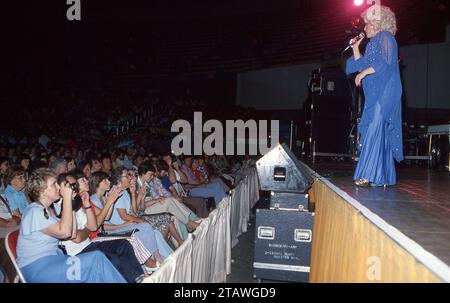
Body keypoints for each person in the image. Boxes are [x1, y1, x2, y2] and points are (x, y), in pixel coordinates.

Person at [16, 168, 126, 283]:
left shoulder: (48, 211)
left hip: (54, 261)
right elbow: (65, 232)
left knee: (96, 264)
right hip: (37, 269)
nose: (59, 187)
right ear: (42, 191)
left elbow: (71, 233)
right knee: (96, 258)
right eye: (54, 184)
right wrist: (67, 198)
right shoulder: (34, 211)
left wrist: (72, 204)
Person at [345, 5, 403, 187]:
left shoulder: (386, 38)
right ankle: (382, 176)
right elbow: (360, 65)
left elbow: (385, 63)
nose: (364, 28)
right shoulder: (372, 43)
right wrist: (356, 48)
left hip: (386, 90)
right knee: (379, 130)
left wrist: (363, 74)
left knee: (375, 128)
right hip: (375, 92)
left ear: (378, 24)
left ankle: (368, 174)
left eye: (368, 24)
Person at [55, 172, 145, 283]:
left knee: (124, 244)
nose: (74, 189)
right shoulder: (59, 207)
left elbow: (92, 226)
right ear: (62, 188)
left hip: (89, 244)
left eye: (75, 186)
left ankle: (139, 278)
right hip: (77, 252)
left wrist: (87, 204)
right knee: (114, 260)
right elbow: (77, 237)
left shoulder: (78, 202)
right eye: (71, 186)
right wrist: (87, 230)